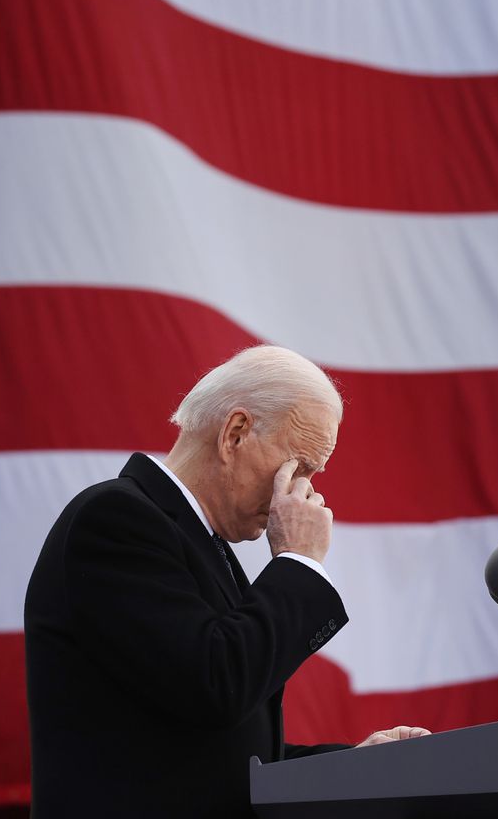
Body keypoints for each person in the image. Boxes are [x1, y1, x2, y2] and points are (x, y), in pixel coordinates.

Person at [25, 345, 427, 817]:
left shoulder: (204, 545)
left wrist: (356, 764)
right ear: (235, 433)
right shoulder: (116, 519)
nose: (306, 491)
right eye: (300, 465)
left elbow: (224, 754)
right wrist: (298, 562)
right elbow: (218, 686)